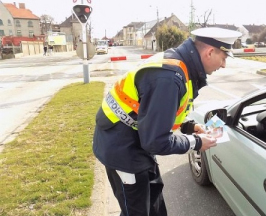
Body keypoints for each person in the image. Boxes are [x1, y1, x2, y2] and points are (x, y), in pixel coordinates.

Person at [92, 27, 241, 216]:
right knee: (137, 210)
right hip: (123, 150)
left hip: (135, 139)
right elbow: (156, 142)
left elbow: (157, 111)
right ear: (210, 52)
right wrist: (197, 142)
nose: (224, 65)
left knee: (153, 201)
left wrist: (190, 126)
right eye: (224, 57)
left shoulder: (179, 66)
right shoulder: (170, 78)